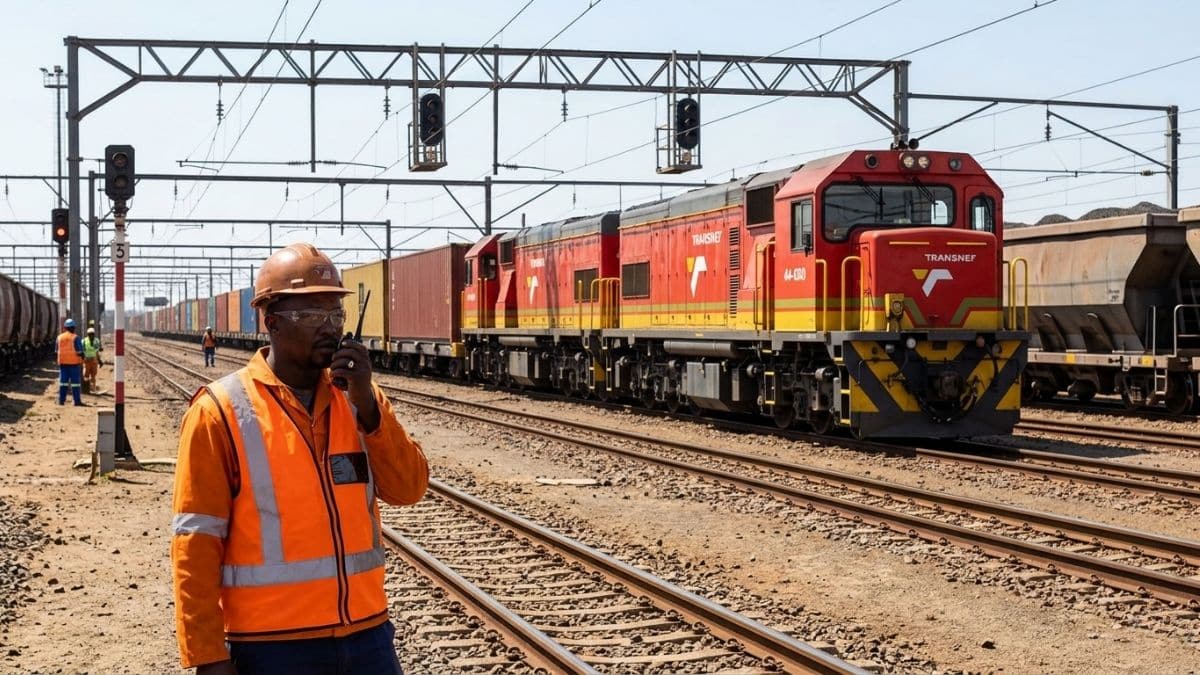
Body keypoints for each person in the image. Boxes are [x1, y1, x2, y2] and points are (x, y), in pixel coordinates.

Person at [171, 243, 429, 675]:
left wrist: (369, 408)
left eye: (335, 315)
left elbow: (409, 489)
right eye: (311, 315)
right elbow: (196, 543)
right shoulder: (220, 411)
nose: (329, 327)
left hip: (368, 637)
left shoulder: (359, 400)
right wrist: (208, 656)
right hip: (272, 647)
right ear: (271, 321)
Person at [56, 318, 85, 406]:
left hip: (63, 364)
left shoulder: (59, 337)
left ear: (65, 328)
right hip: (74, 365)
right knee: (75, 384)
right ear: (74, 328)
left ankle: (61, 401)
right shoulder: (75, 338)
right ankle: (77, 401)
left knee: (63, 383)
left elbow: (56, 351)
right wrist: (83, 356)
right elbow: (79, 351)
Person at [82, 327, 103, 393]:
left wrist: (99, 360)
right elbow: (82, 352)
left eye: (92, 334)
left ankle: (92, 388)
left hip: (94, 360)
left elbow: (97, 352)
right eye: (90, 334)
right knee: (86, 375)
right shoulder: (84, 341)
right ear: (88, 334)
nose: (91, 335)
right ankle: (86, 389)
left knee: (93, 375)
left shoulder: (96, 341)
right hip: (87, 360)